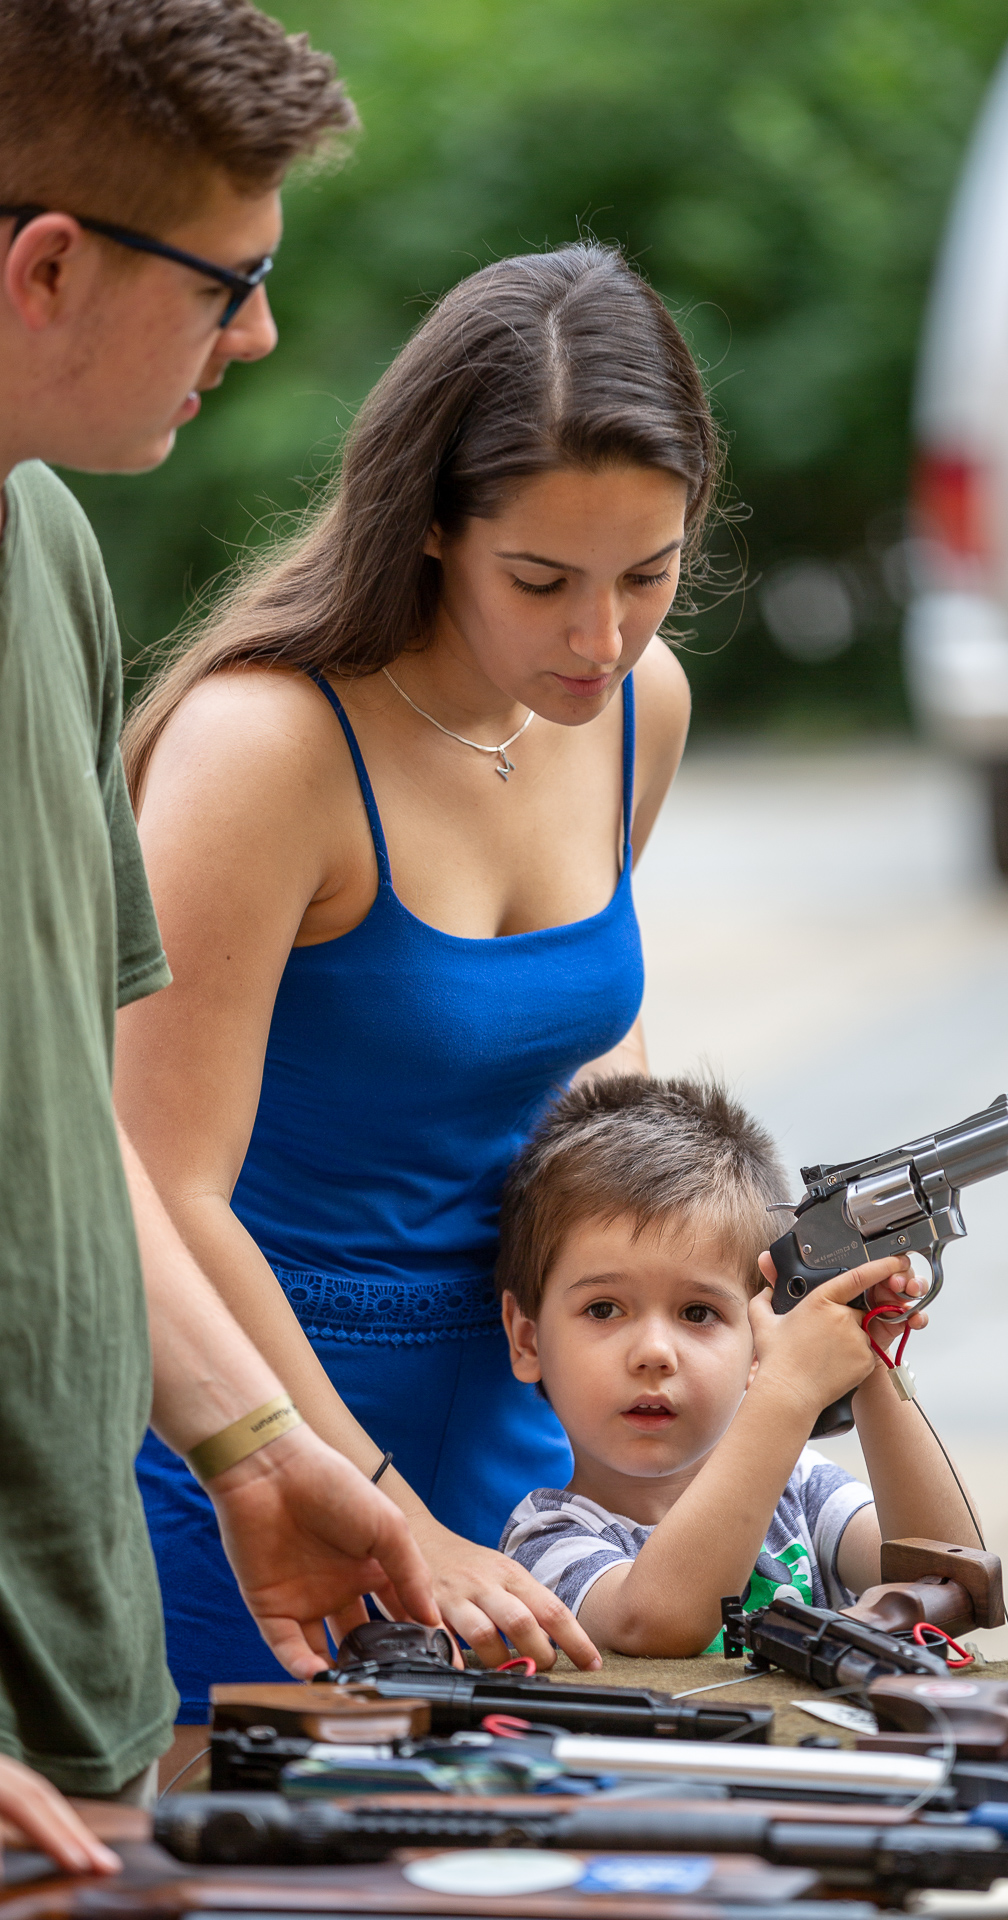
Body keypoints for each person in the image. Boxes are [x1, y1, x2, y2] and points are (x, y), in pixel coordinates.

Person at [113, 241, 716, 1752]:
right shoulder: (264, 748)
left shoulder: (638, 707)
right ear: (433, 525)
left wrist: (707, 1254)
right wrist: (381, 1506)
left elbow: (580, 1047)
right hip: (257, 1453)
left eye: (648, 574)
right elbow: (161, 1185)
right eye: (543, 581)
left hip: (517, 1435)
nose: (601, 638)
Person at [0, 0, 443, 1869]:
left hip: (79, 1695)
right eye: (227, 282)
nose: (257, 333)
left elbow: (62, 1115)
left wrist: (250, 1441)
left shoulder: (48, 549)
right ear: (47, 266)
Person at [498, 1076, 983, 1655]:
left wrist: (867, 1354)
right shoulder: (544, 1538)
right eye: (603, 1309)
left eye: (698, 1312)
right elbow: (655, 1620)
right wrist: (788, 1391)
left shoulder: (798, 1487)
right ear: (527, 1340)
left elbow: (951, 1578)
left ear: (760, 1339)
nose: (655, 1352)